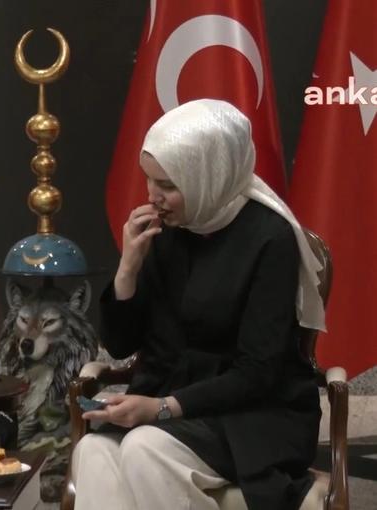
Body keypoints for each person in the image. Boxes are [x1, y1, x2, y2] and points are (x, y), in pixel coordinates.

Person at [72, 99, 325, 510]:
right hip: (169, 401)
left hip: (252, 414)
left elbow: (258, 372)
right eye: (150, 181)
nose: (153, 197)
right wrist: (128, 268)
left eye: (168, 185)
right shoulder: (166, 230)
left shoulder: (269, 238)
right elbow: (120, 345)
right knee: (93, 452)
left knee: (145, 448)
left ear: (210, 176)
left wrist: (162, 409)